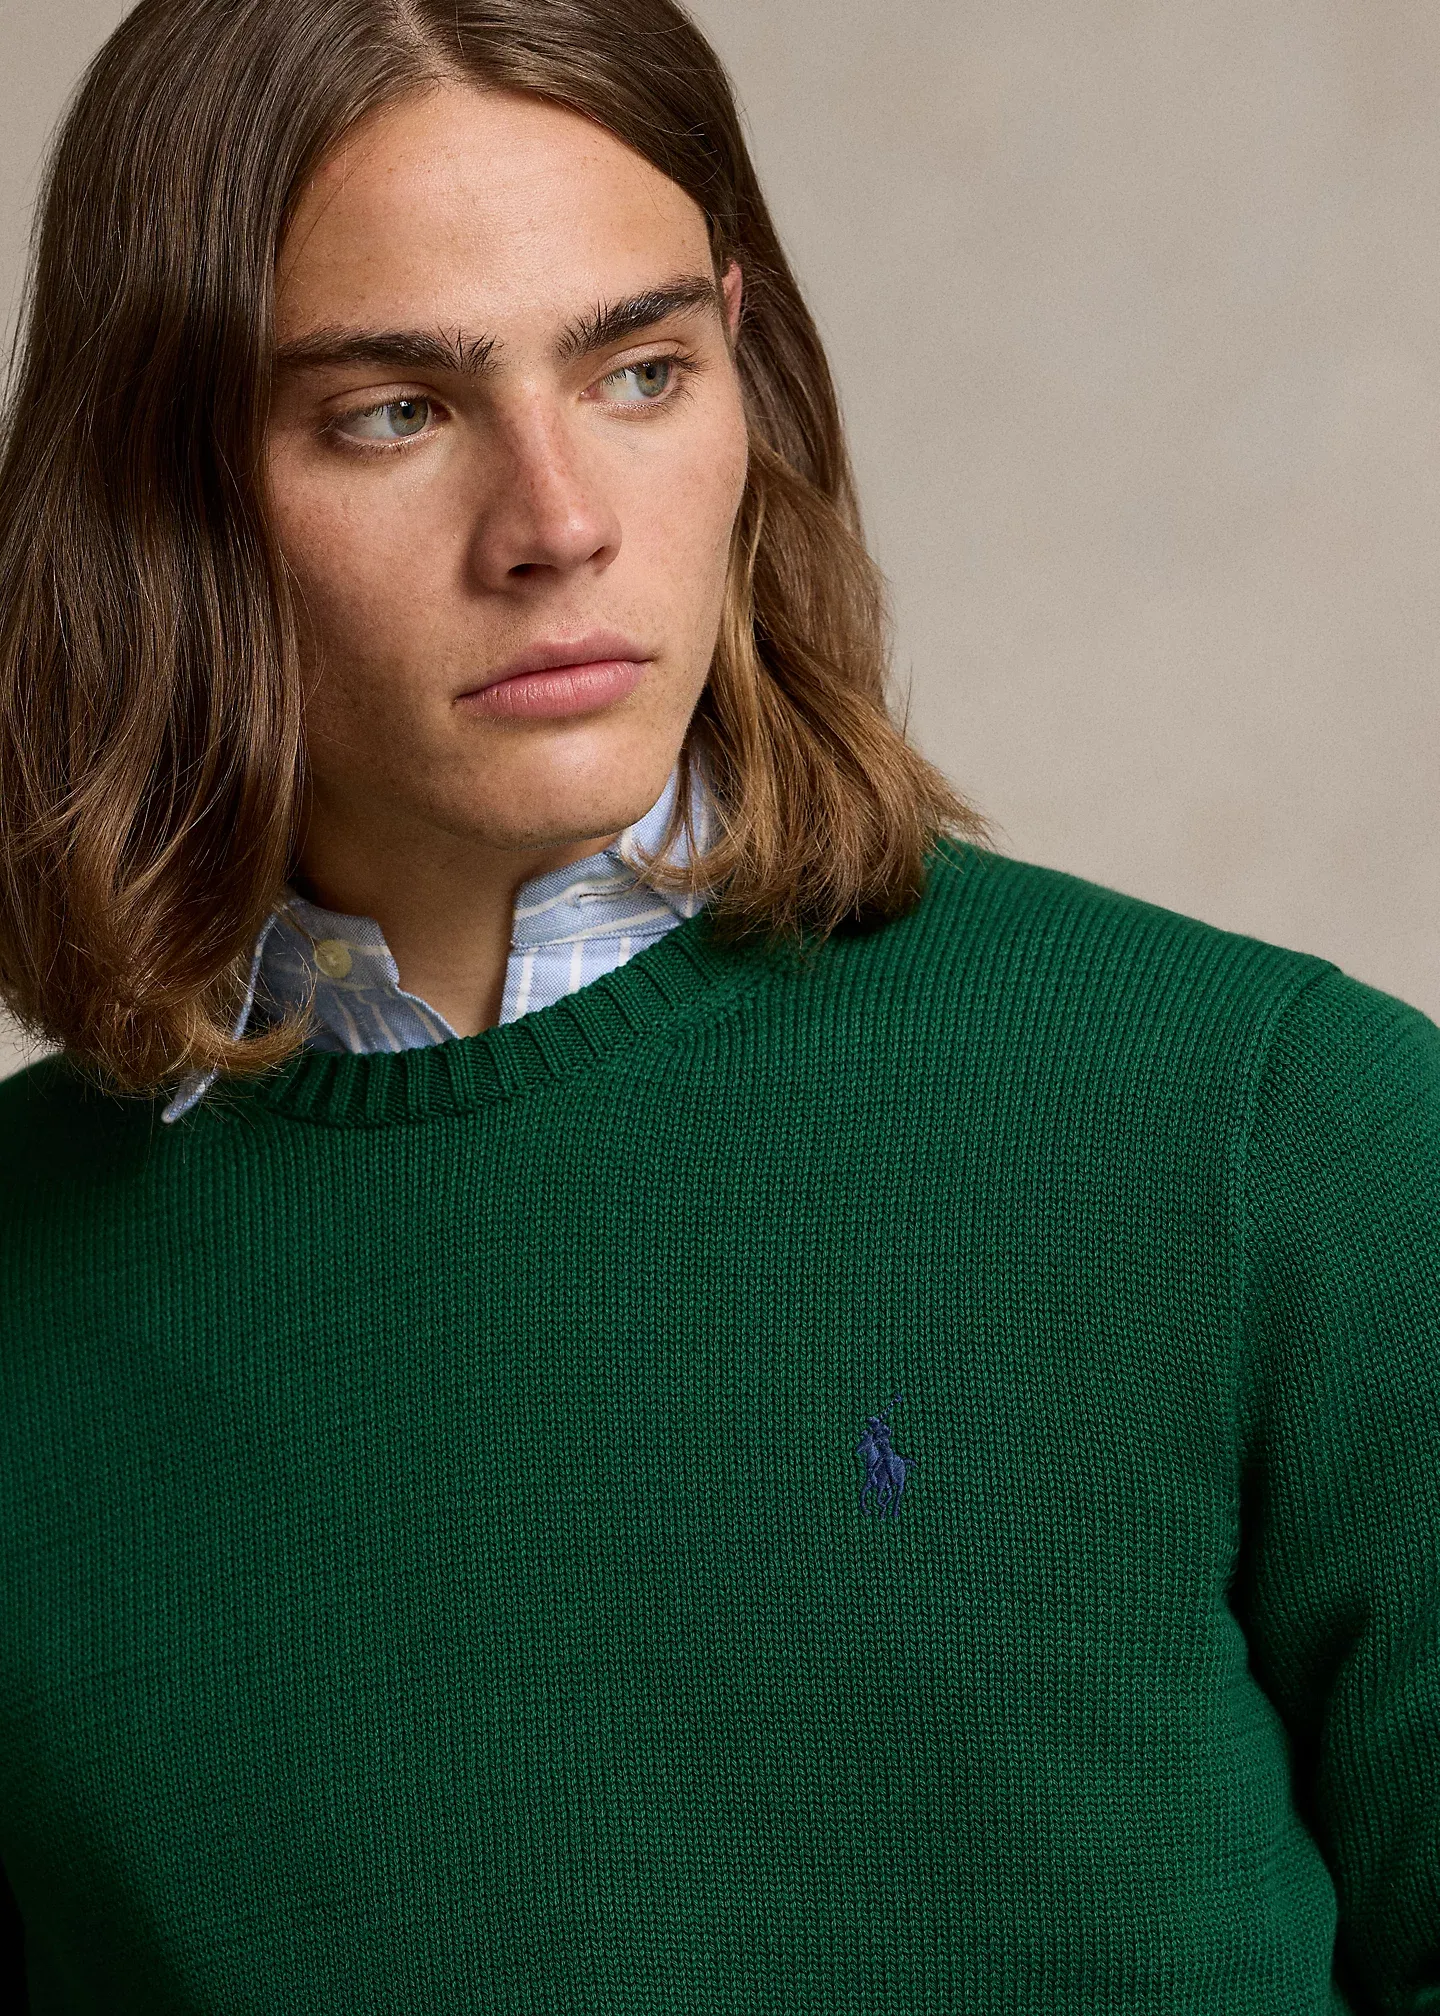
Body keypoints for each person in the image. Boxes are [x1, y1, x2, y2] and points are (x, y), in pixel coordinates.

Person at [0, 0, 1434, 2009]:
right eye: (394, 412)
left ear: (744, 370)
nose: (559, 522)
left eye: (640, 371)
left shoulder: (1283, 1133)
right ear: (159, 488)